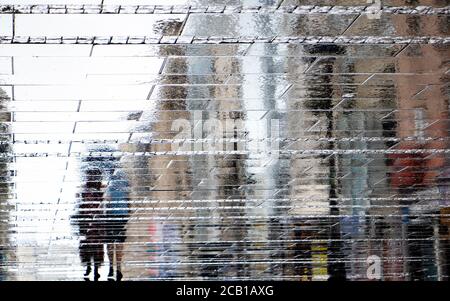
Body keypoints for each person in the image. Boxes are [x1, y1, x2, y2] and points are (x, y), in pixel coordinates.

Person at [75, 168, 105, 281]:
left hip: (88, 222)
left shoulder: (85, 189)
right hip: (96, 223)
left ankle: (89, 267)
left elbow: (79, 204)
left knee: (87, 245)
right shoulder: (100, 189)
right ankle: (94, 269)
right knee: (95, 245)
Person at [104, 170, 130, 281]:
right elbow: (129, 201)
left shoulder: (110, 185)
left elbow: (107, 200)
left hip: (111, 216)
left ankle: (111, 266)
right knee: (119, 241)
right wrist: (128, 212)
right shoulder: (125, 185)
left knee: (110, 242)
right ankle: (118, 267)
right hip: (122, 216)